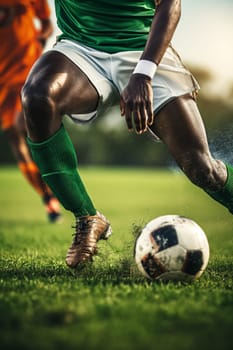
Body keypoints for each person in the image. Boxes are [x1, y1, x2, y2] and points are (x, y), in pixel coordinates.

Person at [21, 0, 233, 268]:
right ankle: (87, 217)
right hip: (80, 48)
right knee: (38, 97)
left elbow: (170, 5)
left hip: (144, 50)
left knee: (202, 168)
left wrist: (143, 75)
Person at [0, 0, 62, 223]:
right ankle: (47, 197)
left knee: (22, 126)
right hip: (3, 82)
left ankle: (59, 183)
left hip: (28, 68)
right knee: (17, 144)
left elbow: (46, 23)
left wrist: (41, 40)